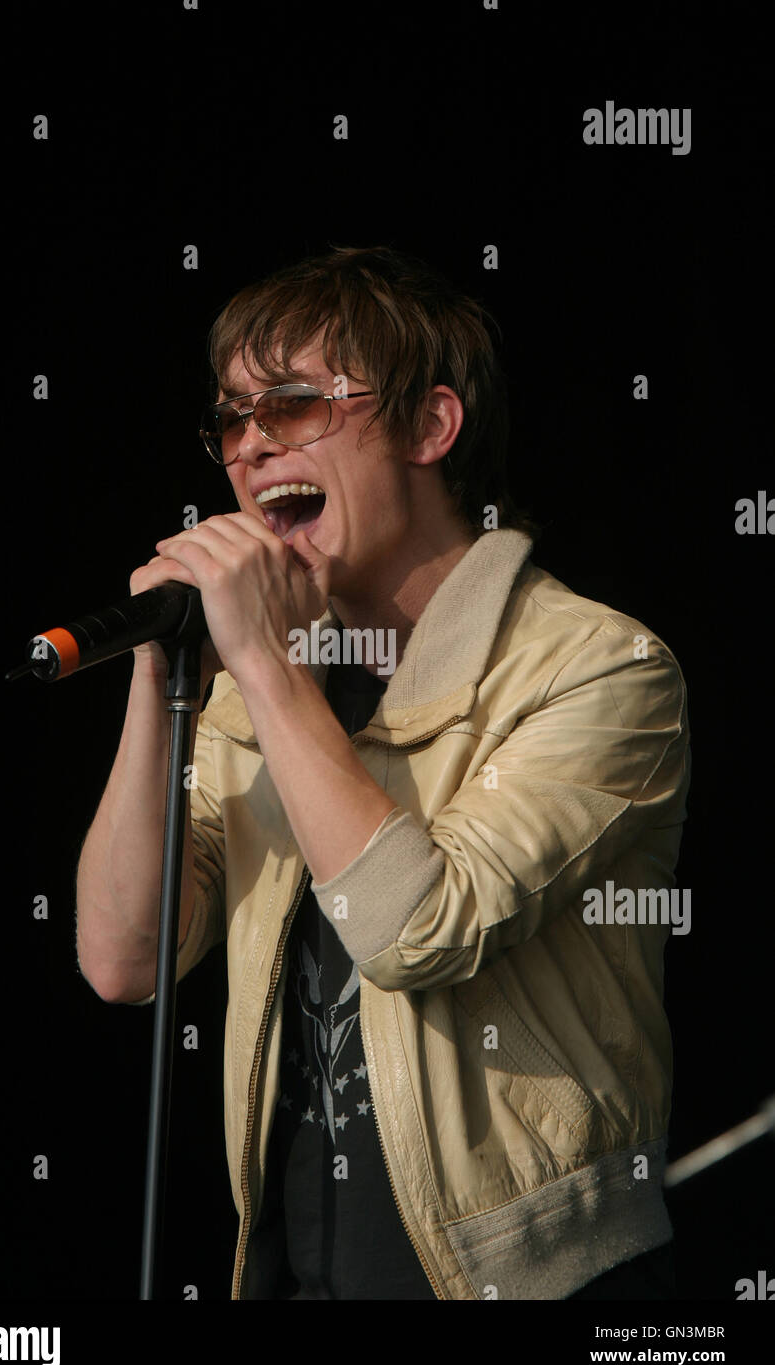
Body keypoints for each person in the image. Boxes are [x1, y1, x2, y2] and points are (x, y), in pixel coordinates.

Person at [75, 245, 690, 1300]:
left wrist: (264, 664)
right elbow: (127, 957)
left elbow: (418, 928)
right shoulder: (258, 680)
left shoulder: (594, 666)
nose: (253, 445)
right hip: (288, 1270)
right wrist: (160, 668)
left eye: (297, 405)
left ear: (429, 426)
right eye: (233, 417)